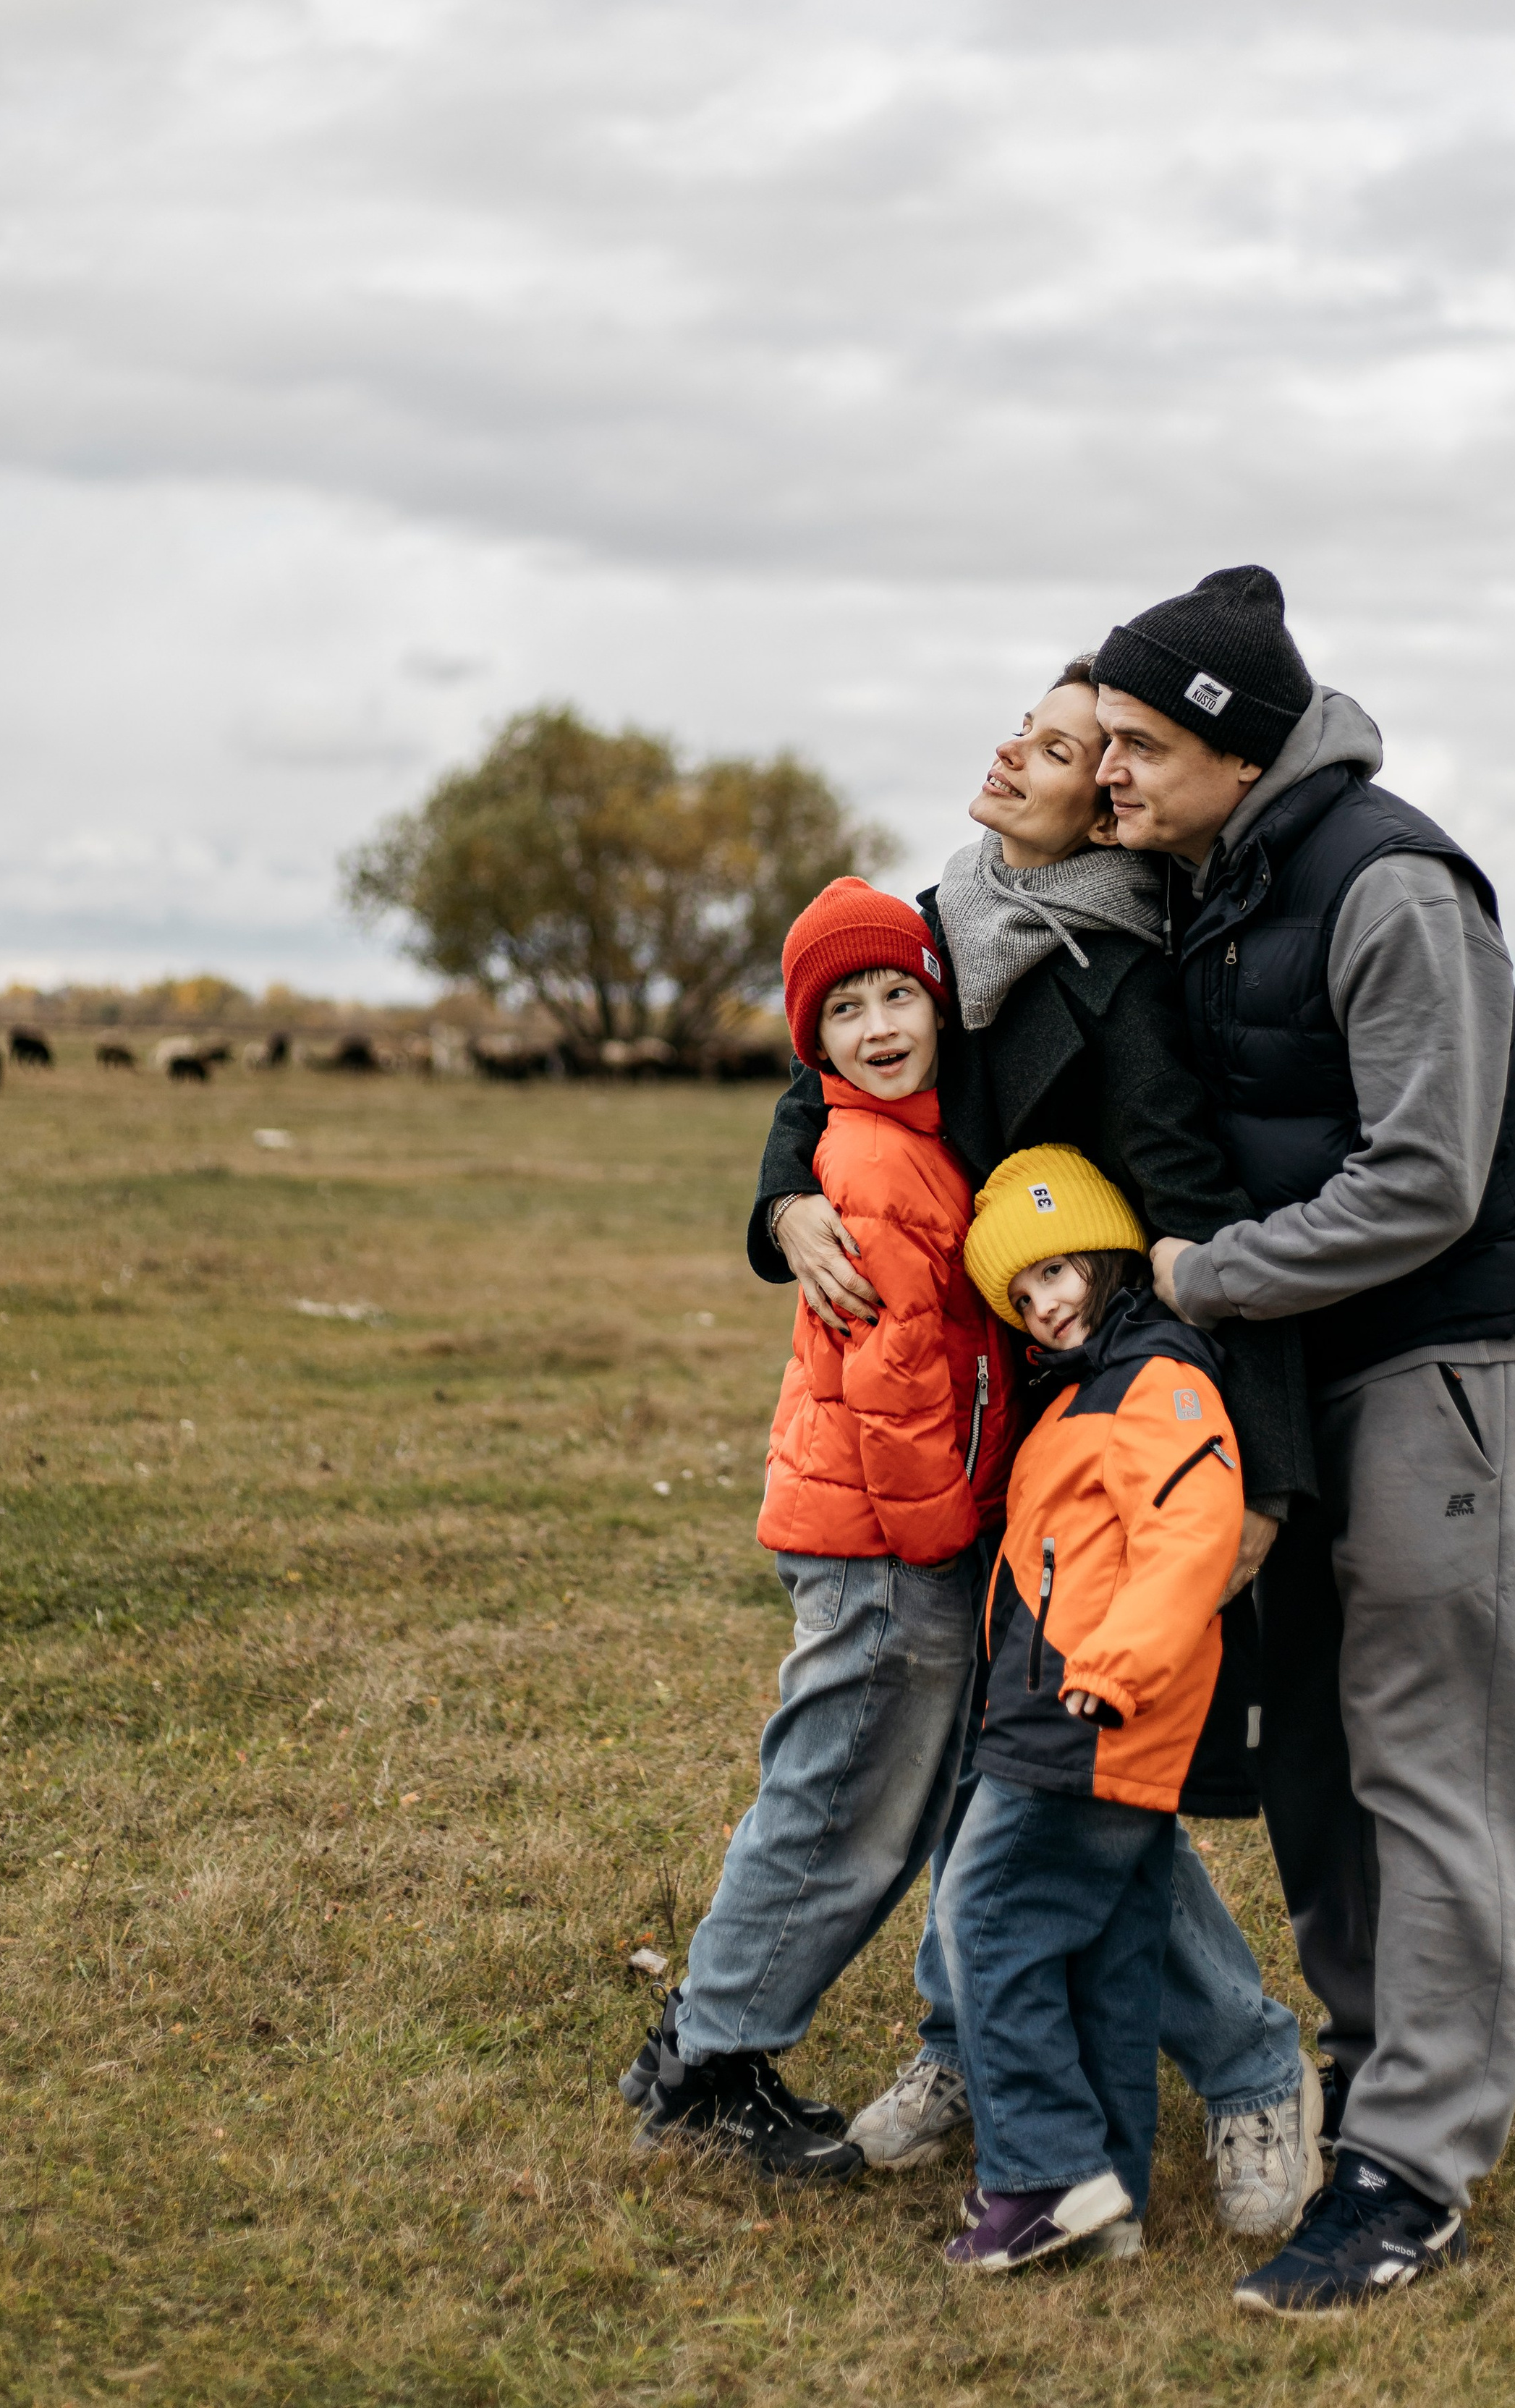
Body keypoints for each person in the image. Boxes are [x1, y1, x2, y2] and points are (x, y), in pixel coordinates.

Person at [751, 664, 1323, 2238]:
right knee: (994, 1769)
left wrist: (1255, 1476)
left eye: (1067, 749)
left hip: (1099, 1425)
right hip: (964, 1427)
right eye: (1031, 724)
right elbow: (830, 1048)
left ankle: (1250, 2067)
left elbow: (1210, 1230)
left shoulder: (1117, 987)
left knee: (1078, 1779)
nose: (1017, 752)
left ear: (1106, 808)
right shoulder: (942, 925)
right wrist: (783, 1198)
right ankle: (971, 2049)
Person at [1090, 564, 1515, 2313]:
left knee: (1427, 1749)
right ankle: (1372, 2063)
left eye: (1139, 743)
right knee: (1308, 1740)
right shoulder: (1214, 878)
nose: (1111, 775)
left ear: (1232, 742)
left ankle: (1411, 2167)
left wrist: (1206, 1275)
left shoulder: (1387, 883)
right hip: (1301, 1367)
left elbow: (1426, 1175)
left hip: (1440, 1355)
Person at [625, 876, 1018, 2179]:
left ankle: (717, 2041)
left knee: (880, 1795)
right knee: (842, 1795)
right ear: (814, 1044)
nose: (879, 1023)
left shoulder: (906, 1141)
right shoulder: (874, 1166)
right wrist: (940, 1537)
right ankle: (708, 2059)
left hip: (879, 1524)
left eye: (898, 994)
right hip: (885, 1538)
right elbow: (899, 1376)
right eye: (844, 1009)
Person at [935, 1147, 1245, 2271]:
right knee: (1110, 1955)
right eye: (1021, 1293)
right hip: (1073, 1708)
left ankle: (1038, 2174)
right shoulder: (1079, 1388)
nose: (1048, 1304)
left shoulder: (1156, 1381)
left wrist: (1115, 1669)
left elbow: (1191, 1536)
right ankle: (1110, 2190)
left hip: (1089, 1712)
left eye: (1060, 1270)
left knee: (986, 1919)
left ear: (1111, 1255)